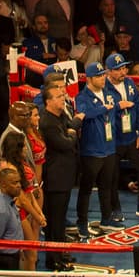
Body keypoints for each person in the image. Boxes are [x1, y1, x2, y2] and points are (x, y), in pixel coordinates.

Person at [104, 51, 139, 215]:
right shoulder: (103, 88)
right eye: (118, 69)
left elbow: (138, 107)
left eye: (124, 68)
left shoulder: (130, 83)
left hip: (132, 136)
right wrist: (117, 107)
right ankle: (115, 208)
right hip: (113, 139)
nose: (123, 72)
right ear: (109, 71)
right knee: (112, 174)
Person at [76, 63, 120, 235]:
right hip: (91, 150)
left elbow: (114, 114)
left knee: (106, 186)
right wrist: (102, 108)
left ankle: (106, 219)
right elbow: (84, 114)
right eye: (99, 76)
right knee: (86, 189)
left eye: (103, 75)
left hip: (109, 148)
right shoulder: (82, 97)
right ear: (89, 79)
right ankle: (82, 222)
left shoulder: (109, 94)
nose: (103, 78)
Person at [39, 78, 78, 245]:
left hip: (63, 176)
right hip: (55, 179)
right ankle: (54, 255)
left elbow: (70, 129)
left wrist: (70, 133)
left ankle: (60, 251)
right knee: (55, 219)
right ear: (48, 101)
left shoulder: (60, 115)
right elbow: (65, 143)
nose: (63, 98)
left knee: (60, 218)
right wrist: (72, 134)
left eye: (63, 95)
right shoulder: (48, 122)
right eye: (58, 97)